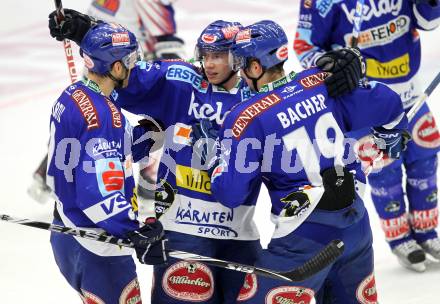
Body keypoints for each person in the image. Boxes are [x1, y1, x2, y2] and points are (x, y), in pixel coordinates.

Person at [48, 11, 363, 303]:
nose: (209, 64)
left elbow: (304, 92)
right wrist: (88, 32)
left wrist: (345, 67)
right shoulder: (181, 80)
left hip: (238, 231)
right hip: (183, 231)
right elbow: (124, 70)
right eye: (206, 55)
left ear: (240, 58)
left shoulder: (262, 92)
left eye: (219, 56)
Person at [194, 20, 409, 303]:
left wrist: (214, 158)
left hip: (305, 238)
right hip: (356, 225)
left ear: (256, 67)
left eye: (241, 62)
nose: (240, 71)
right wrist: (388, 140)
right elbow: (391, 105)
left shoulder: (244, 117)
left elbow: (231, 194)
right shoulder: (324, 82)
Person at [293, 0, 440, 272]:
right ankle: (400, 238)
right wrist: (331, 67)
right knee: (385, 170)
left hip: (412, 93)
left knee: (426, 161)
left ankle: (427, 231)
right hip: (366, 102)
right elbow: (304, 45)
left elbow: (428, 21)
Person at [46, 22, 167, 303]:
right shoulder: (104, 117)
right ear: (114, 67)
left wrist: (145, 138)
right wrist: (134, 229)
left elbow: (96, 157)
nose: (134, 67)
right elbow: (97, 191)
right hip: (100, 247)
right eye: (130, 60)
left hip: (66, 231)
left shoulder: (72, 94)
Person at [28, 0, 185, 205]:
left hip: (116, 60)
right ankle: (60, 172)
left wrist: (83, 29)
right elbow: (164, 37)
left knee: (92, 118)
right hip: (114, 62)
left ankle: (146, 177)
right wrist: (78, 27)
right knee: (88, 117)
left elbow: (165, 38)